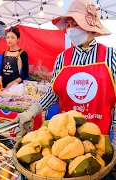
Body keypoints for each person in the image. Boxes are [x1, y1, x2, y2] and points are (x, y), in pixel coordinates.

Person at [14, 0, 116, 144]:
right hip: (65, 136)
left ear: (90, 26)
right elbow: (53, 94)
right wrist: (32, 111)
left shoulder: (111, 56)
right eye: (68, 25)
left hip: (98, 137)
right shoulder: (62, 58)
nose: (70, 29)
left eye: (75, 24)